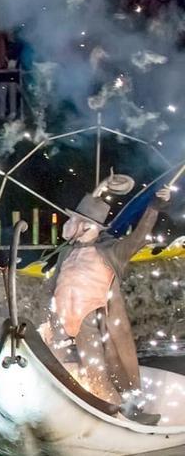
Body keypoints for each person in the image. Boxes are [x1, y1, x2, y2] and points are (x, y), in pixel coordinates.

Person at [39, 174, 171, 424]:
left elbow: (138, 237)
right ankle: (58, 406)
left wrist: (154, 206)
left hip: (90, 318)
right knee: (54, 364)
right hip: (60, 318)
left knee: (97, 369)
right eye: (76, 221)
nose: (76, 226)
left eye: (83, 223)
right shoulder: (68, 249)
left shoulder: (111, 251)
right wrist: (97, 192)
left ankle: (120, 413)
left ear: (95, 228)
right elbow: (74, 225)